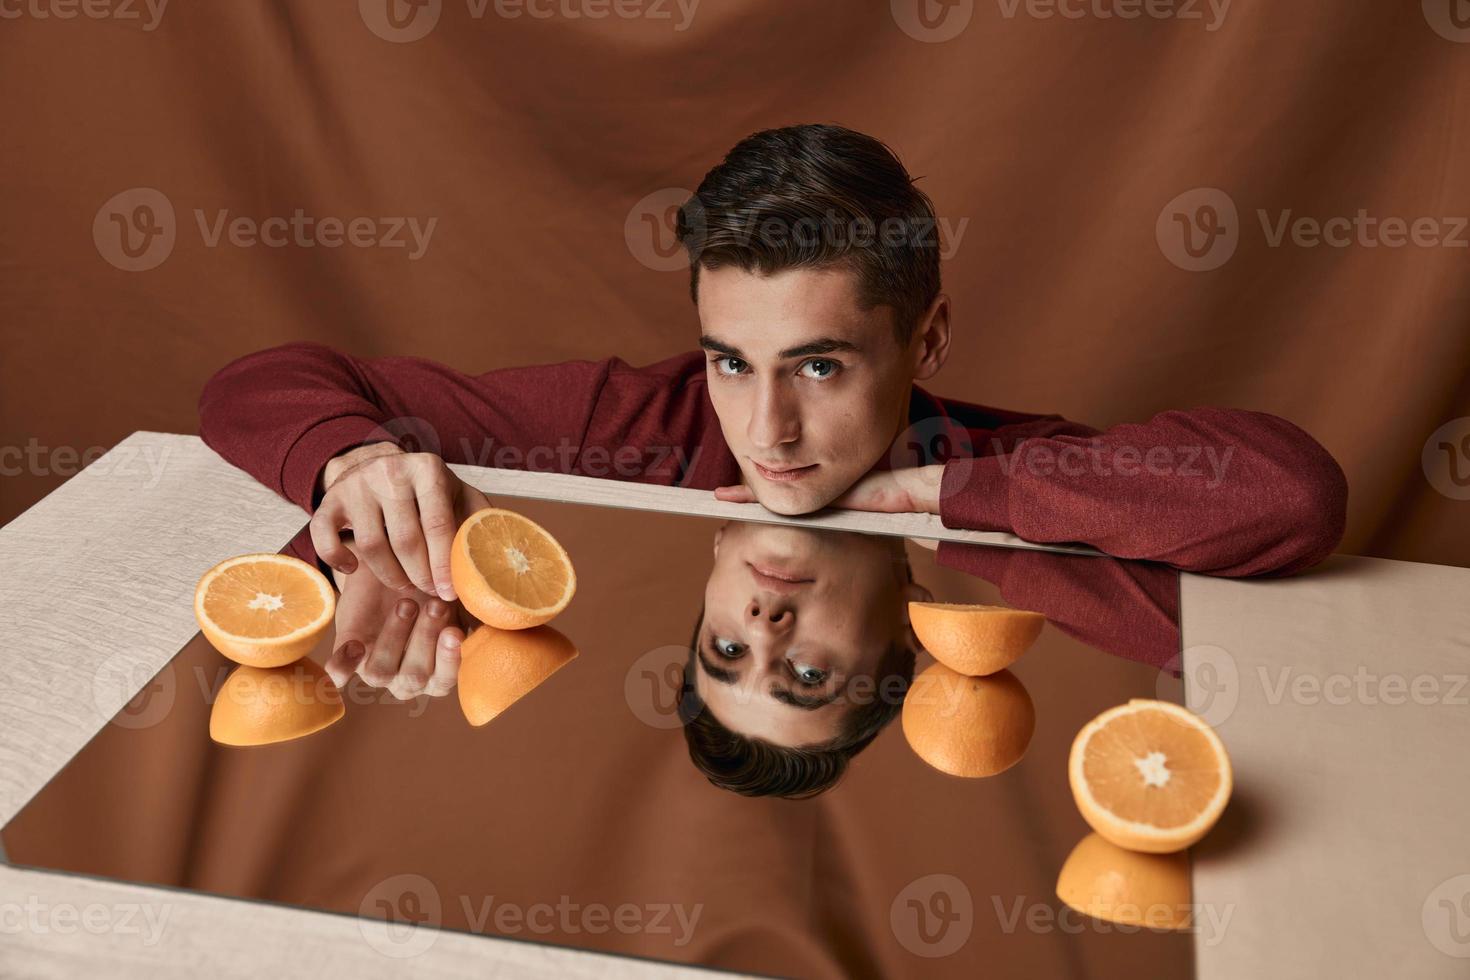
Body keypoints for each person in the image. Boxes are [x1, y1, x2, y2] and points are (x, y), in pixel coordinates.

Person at [198, 123, 1348, 700]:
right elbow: (253, 383)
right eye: (732, 363)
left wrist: (959, 492)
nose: (768, 430)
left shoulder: (1000, 489)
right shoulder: (633, 425)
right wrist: (351, 458)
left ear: (926, 340)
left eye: (819, 367)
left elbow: (1288, 492)